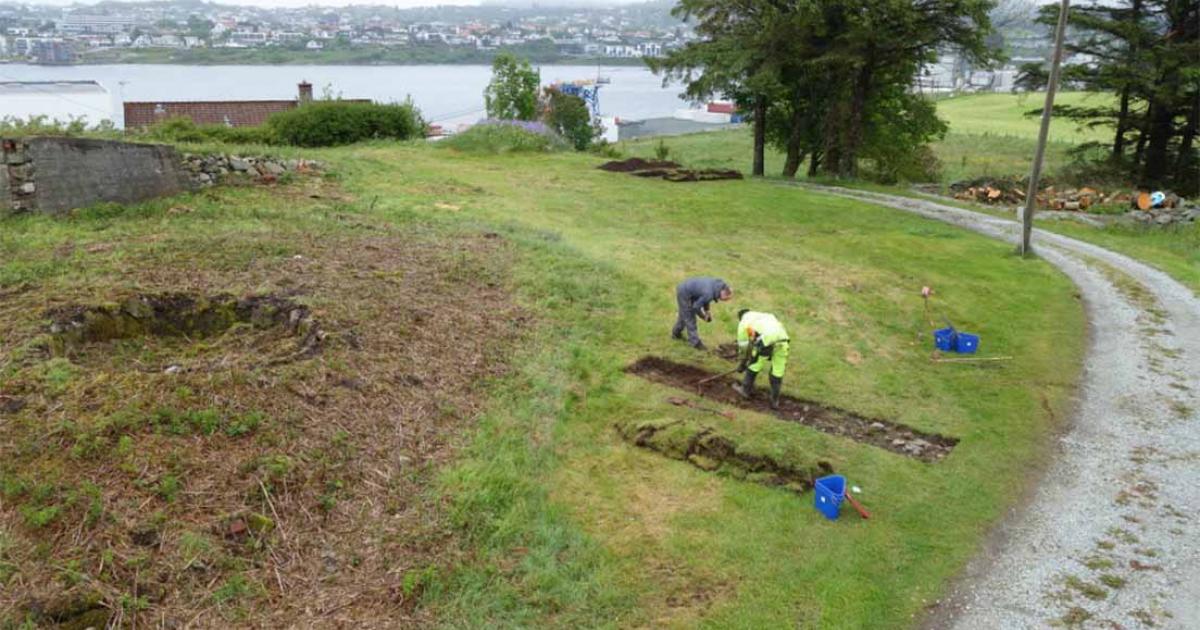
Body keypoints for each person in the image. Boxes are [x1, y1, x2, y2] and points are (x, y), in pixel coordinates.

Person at [733, 309, 789, 409]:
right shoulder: (766, 315)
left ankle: (745, 390)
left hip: (766, 341)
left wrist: (743, 363)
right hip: (783, 340)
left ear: (740, 317)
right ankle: (774, 400)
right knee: (778, 371)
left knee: (754, 364)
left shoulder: (744, 322)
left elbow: (743, 346)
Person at [671, 277, 732, 350]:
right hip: (684, 293)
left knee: (684, 315)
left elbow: (705, 299)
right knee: (690, 317)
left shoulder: (717, 286)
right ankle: (695, 342)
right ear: (724, 293)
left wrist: (707, 311)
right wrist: (703, 316)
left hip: (691, 292)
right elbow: (696, 307)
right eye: (725, 299)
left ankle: (676, 334)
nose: (724, 301)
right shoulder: (709, 293)